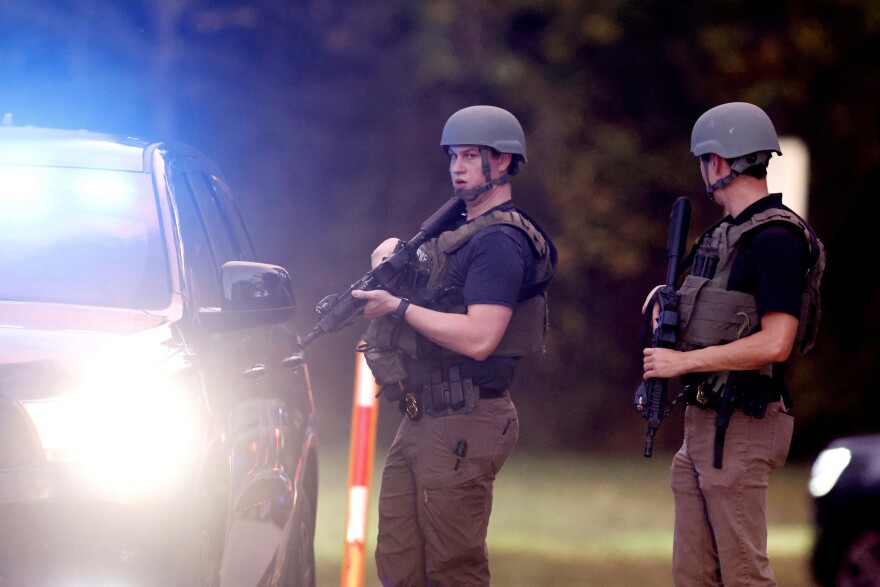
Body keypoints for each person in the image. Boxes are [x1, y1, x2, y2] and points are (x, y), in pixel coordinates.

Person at [351, 105, 557, 586]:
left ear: (502, 162)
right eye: (452, 156)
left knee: (452, 568)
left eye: (470, 156)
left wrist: (398, 308)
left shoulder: (500, 241)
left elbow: (480, 337)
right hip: (422, 415)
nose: (457, 167)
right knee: (399, 561)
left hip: (467, 415)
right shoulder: (453, 233)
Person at [641, 102, 825, 586]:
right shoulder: (724, 235)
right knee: (695, 576)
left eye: (704, 159)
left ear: (718, 162)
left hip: (742, 424)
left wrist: (682, 361)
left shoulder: (776, 239)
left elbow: (776, 342)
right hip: (705, 422)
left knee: (744, 575)